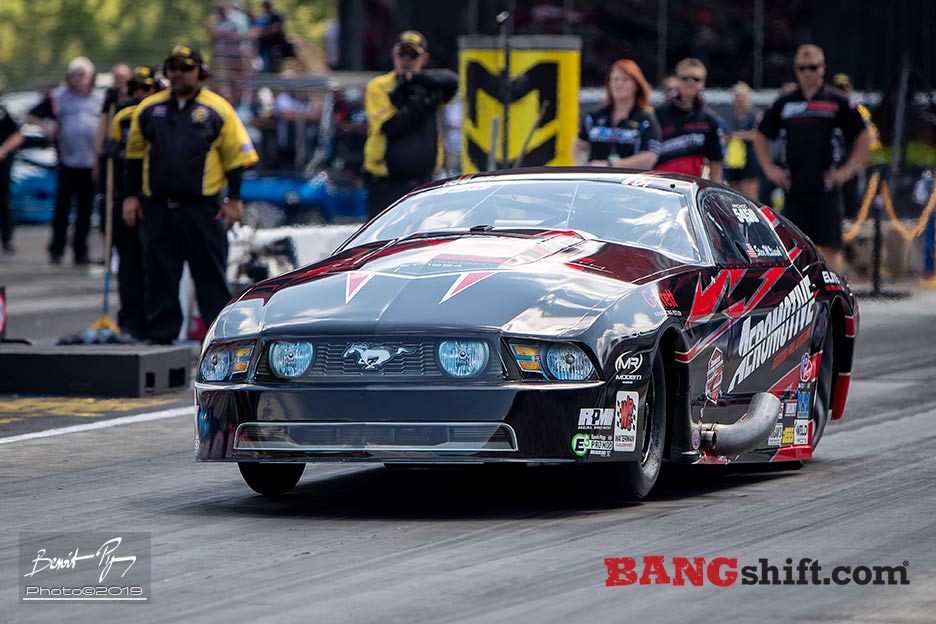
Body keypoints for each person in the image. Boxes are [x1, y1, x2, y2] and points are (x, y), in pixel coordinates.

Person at [122, 45, 258, 344]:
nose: (179, 74)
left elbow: (237, 157)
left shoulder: (218, 108)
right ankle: (160, 339)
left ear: (200, 71)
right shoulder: (148, 109)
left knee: (210, 278)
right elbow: (133, 157)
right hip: (157, 207)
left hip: (202, 208)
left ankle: (219, 341)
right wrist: (130, 197)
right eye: (172, 68)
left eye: (185, 68)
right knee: (159, 277)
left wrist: (234, 200)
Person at [753, 44, 870, 276]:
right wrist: (769, 168)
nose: (808, 72)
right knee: (793, 249)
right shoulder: (784, 103)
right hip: (794, 186)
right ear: (796, 70)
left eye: (813, 67)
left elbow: (864, 135)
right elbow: (760, 134)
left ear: (822, 69)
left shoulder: (837, 102)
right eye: (802, 68)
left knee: (830, 248)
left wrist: (848, 170)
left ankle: (833, 300)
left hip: (827, 186)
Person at [363, 30, 457, 219]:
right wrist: (421, 105)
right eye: (402, 54)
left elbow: (453, 82)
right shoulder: (380, 86)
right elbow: (391, 127)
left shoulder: (430, 82)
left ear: (424, 58)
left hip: (424, 182)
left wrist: (415, 80)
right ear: (393, 55)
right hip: (387, 181)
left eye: (413, 55)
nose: (406, 60)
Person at [27, 56, 104, 265]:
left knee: (85, 210)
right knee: (62, 208)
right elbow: (32, 114)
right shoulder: (59, 97)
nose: (78, 79)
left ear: (90, 77)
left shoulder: (100, 98)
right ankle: (57, 249)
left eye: (82, 75)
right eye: (74, 75)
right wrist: (47, 129)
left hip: (90, 164)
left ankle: (81, 251)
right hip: (67, 163)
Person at [106, 65, 162, 338]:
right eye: (135, 89)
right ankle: (130, 319)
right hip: (126, 196)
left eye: (145, 88)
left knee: (153, 261)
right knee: (128, 263)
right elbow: (107, 150)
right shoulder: (123, 117)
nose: (140, 93)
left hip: (154, 198)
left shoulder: (161, 114)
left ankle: (154, 319)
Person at [573, 59, 660, 169]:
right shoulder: (595, 116)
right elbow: (579, 145)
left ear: (636, 85)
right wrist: (583, 166)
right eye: (614, 80)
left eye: (625, 80)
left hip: (629, 181)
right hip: (595, 180)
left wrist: (611, 165)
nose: (618, 84)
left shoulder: (645, 119)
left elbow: (649, 157)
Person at [654, 58, 724, 182]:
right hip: (660, 185)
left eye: (696, 79)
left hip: (690, 188)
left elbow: (715, 162)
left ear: (703, 83)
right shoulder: (658, 113)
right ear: (677, 80)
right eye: (685, 78)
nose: (690, 82)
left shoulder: (709, 119)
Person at [832, 72, 880, 220]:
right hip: (833, 161)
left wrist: (862, 159)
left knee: (853, 196)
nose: (842, 92)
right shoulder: (828, 108)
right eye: (838, 88)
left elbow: (871, 136)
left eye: (844, 88)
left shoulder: (858, 110)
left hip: (852, 160)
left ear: (850, 89)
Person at [723, 81, 762, 199]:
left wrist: (739, 135)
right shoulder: (730, 117)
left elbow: (758, 135)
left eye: (741, 97)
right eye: (736, 97)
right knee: (733, 194)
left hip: (750, 161)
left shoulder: (755, 116)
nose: (738, 101)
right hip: (734, 161)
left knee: (749, 196)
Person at [0, 101, 25, 254]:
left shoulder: (4, 112)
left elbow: (18, 135)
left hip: (2, 165)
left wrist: (3, 149)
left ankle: (7, 238)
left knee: (2, 201)